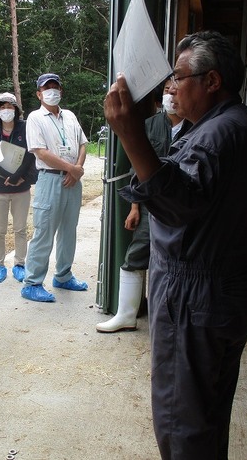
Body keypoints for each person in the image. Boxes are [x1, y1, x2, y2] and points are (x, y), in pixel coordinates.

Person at [104, 30, 247, 459]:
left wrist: (130, 133)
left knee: (182, 422)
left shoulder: (216, 137)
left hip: (196, 294)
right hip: (230, 286)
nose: (171, 89)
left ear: (212, 81)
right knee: (209, 411)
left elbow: (179, 204)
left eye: (178, 78)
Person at [96, 83, 172, 333]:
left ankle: (172, 316)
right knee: (135, 256)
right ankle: (126, 315)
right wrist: (135, 207)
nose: (172, 94)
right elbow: (137, 172)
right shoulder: (151, 126)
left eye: (176, 88)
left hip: (185, 207)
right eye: (167, 90)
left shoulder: (198, 126)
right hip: (152, 205)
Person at [21, 73, 89, 302]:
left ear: (61, 90)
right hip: (50, 179)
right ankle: (32, 282)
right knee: (44, 231)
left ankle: (63, 275)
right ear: (39, 94)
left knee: (69, 230)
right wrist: (72, 169)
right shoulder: (35, 118)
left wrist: (76, 169)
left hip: (73, 180)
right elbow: (40, 152)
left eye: (55, 87)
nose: (52, 91)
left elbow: (82, 143)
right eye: (46, 88)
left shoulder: (69, 116)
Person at [0, 92, 36, 284]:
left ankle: (20, 263)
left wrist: (19, 177)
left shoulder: (25, 127)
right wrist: (8, 177)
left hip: (21, 188)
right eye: (3, 107)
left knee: (21, 228)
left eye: (10, 106)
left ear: (16, 110)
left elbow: (30, 154)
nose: (6, 110)